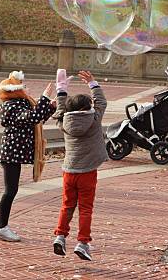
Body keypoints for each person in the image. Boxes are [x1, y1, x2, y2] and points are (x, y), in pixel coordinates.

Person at [0, 71, 56, 242]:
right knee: (10, 190)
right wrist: (44, 98)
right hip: (11, 152)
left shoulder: (21, 103)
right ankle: (2, 227)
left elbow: (37, 119)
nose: (27, 89)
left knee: (11, 190)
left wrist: (50, 107)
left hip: (15, 151)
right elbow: (32, 117)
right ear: (15, 90)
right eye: (24, 87)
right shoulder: (10, 106)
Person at [53, 69, 108, 261]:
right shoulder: (93, 119)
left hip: (68, 172)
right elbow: (102, 102)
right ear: (88, 107)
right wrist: (92, 83)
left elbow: (60, 106)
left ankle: (60, 236)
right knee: (85, 208)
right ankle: (83, 243)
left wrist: (61, 87)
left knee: (67, 205)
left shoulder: (63, 120)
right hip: (87, 173)